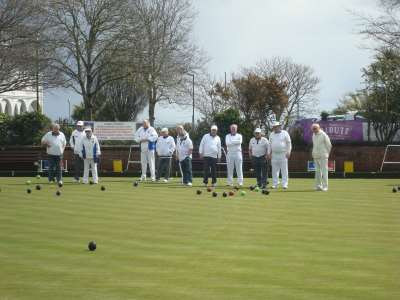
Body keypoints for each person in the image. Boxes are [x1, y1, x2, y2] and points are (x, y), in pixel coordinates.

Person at [268, 121, 292, 189]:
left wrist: (289, 152)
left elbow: (289, 143)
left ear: (279, 126)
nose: (275, 128)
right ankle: (275, 184)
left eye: (276, 126)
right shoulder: (271, 134)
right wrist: (269, 153)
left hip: (283, 154)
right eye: (274, 127)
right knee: (274, 170)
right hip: (274, 154)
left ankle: (285, 184)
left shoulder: (285, 133)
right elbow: (269, 144)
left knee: (284, 170)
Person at [312, 123, 332, 192]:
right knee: (317, 171)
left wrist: (327, 153)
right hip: (316, 156)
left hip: (323, 156)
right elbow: (314, 145)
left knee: (324, 171)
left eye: (315, 128)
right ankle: (318, 186)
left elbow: (329, 145)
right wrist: (313, 153)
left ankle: (325, 186)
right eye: (313, 129)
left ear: (319, 128)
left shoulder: (323, 135)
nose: (314, 130)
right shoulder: (313, 135)